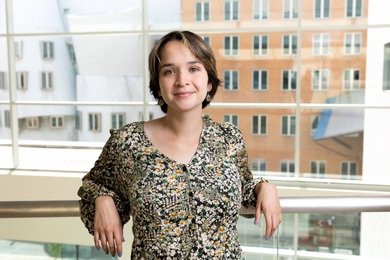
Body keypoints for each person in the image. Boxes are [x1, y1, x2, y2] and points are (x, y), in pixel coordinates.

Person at [77, 30, 282, 259]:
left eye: (193, 69)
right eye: (169, 71)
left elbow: (243, 191)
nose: (182, 80)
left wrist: (264, 187)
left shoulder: (229, 137)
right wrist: (103, 198)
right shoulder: (128, 142)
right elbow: (93, 184)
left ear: (209, 83)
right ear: (158, 86)